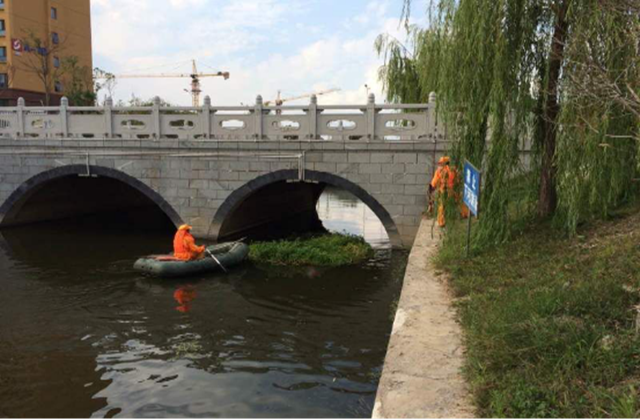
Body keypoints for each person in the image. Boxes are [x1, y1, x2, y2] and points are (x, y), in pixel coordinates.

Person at [429, 157, 469, 227]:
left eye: (441, 163)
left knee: (442, 206)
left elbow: (434, 182)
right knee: (460, 201)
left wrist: (431, 188)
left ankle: (441, 222)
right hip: (453, 190)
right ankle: (465, 214)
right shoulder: (454, 170)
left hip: (444, 191)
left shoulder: (439, 171)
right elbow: (458, 180)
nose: (440, 164)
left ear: (444, 163)